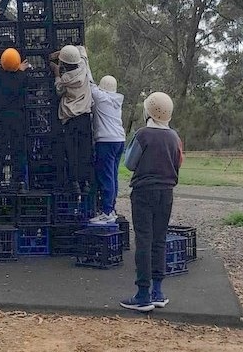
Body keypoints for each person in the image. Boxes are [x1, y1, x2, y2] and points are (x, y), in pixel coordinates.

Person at [119, 91, 183, 313]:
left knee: (144, 241)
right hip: (166, 192)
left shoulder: (142, 134)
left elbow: (129, 163)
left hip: (143, 191)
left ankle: (142, 294)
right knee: (159, 240)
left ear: (148, 111)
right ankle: (158, 291)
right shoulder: (174, 137)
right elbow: (178, 163)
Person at [50, 44, 93, 194]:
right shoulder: (84, 67)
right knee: (85, 151)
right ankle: (86, 182)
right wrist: (61, 53)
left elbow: (58, 90)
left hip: (70, 119)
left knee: (72, 152)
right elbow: (82, 49)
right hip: (85, 117)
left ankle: (74, 182)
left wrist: (56, 72)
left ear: (63, 64)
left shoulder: (65, 78)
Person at [0, 48, 30, 193]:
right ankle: (20, 182)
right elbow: (20, 77)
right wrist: (20, 69)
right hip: (18, 119)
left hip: (0, 119)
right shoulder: (22, 76)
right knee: (18, 150)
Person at [88, 75, 125, 225]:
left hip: (106, 141)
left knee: (106, 177)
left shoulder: (101, 97)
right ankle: (112, 208)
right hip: (119, 140)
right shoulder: (116, 100)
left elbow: (89, 83)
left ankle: (107, 212)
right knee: (113, 176)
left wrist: (83, 57)